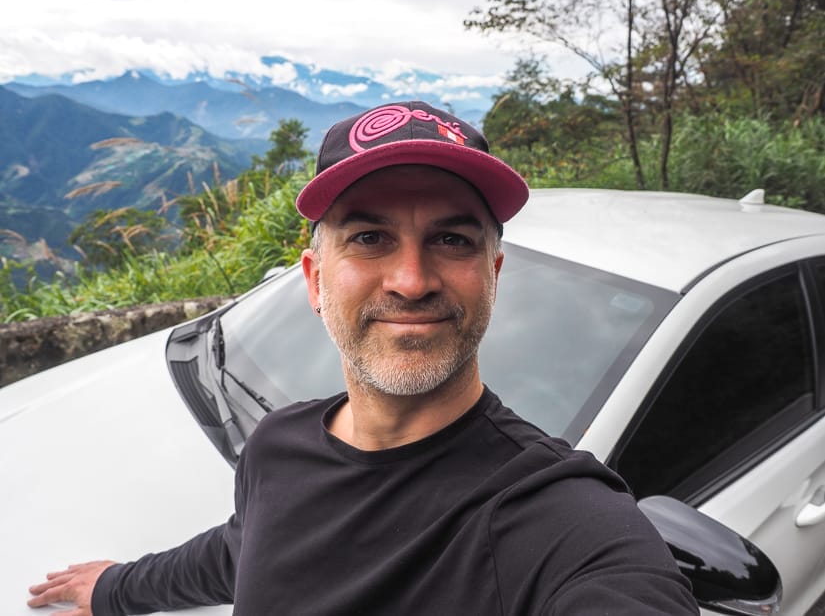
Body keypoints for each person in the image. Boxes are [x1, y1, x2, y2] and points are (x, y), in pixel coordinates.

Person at [28, 101, 699, 615]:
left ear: (492, 274)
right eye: (370, 236)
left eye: (451, 239)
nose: (411, 278)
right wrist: (117, 588)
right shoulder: (278, 446)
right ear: (315, 280)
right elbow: (247, 547)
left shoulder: (561, 521)